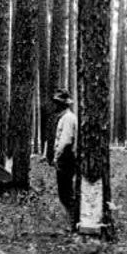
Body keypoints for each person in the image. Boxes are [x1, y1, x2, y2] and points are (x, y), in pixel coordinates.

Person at [52, 89, 78, 232]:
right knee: (66, 192)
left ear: (63, 104)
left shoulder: (67, 118)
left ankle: (73, 223)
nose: (55, 106)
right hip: (67, 158)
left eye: (57, 103)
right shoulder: (66, 117)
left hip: (66, 158)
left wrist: (57, 157)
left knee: (66, 193)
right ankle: (72, 222)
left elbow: (65, 141)